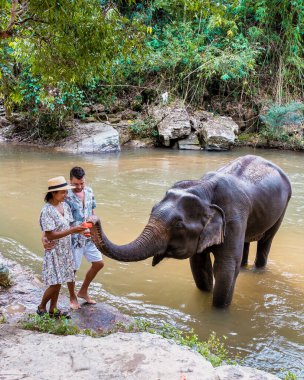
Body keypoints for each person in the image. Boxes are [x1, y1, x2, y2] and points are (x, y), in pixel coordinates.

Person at [42, 167, 104, 310]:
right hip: (72, 239)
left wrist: (94, 228)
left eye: (82, 183)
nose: (80, 186)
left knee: (99, 263)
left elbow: (92, 212)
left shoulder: (89, 191)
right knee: (72, 271)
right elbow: (50, 219)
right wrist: (44, 237)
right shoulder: (63, 195)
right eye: (76, 184)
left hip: (88, 236)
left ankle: (83, 291)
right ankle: (72, 296)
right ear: (70, 181)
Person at [38, 176, 87, 317]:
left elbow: (70, 225)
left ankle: (53, 309)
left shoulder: (64, 205)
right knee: (54, 283)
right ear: (53, 193)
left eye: (66, 192)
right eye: (63, 192)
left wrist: (81, 229)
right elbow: (50, 235)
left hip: (65, 250)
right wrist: (72, 230)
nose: (66, 195)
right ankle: (41, 307)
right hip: (54, 250)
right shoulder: (47, 210)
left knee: (59, 283)